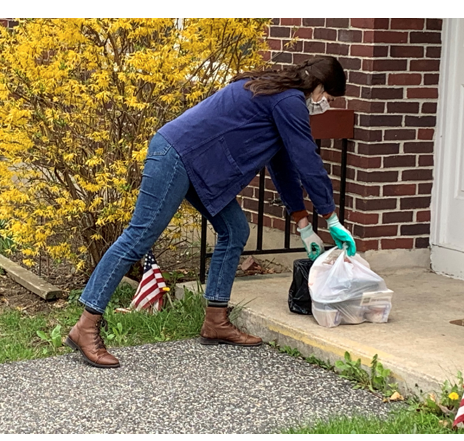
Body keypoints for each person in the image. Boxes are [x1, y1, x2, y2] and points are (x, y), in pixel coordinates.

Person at [64, 56, 357, 368]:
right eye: (329, 97)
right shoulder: (289, 101)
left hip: (194, 163)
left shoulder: (277, 92)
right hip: (176, 155)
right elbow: (307, 162)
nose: (325, 103)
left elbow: (283, 163)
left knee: (235, 230)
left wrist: (303, 224)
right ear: (320, 86)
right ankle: (86, 325)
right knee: (139, 236)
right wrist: (331, 218)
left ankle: (215, 321)